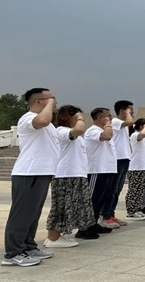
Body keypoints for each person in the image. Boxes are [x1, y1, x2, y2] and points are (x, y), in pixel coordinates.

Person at [2, 88, 59, 267]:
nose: (55, 102)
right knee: (21, 215)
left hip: (42, 172)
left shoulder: (48, 124)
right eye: (51, 99)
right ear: (38, 102)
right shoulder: (27, 119)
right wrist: (49, 105)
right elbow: (42, 120)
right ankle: (13, 253)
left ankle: (28, 246)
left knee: (33, 214)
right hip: (29, 172)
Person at [44, 105, 96, 247]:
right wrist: (80, 119)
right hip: (65, 175)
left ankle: (58, 235)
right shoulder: (61, 131)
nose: (81, 120)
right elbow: (78, 130)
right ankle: (52, 238)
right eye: (77, 117)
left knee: (72, 207)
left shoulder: (76, 136)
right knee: (61, 207)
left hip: (76, 174)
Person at [101, 100, 134, 227]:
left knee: (117, 189)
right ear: (122, 111)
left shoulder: (121, 125)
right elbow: (130, 122)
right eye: (130, 110)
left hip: (124, 158)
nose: (132, 113)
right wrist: (127, 113)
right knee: (112, 188)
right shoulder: (115, 122)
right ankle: (105, 215)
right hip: (117, 159)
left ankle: (111, 214)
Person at [85, 108, 118, 232]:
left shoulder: (102, 129)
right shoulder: (93, 130)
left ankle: (95, 222)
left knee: (101, 198)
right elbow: (107, 136)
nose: (110, 118)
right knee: (93, 198)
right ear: (100, 118)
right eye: (108, 116)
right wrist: (108, 124)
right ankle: (87, 225)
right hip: (96, 170)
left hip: (107, 169)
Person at [124, 118, 145, 220]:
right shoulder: (135, 135)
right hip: (136, 167)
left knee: (140, 190)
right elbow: (141, 134)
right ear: (142, 126)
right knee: (134, 190)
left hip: (144, 167)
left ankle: (137, 209)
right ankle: (131, 212)